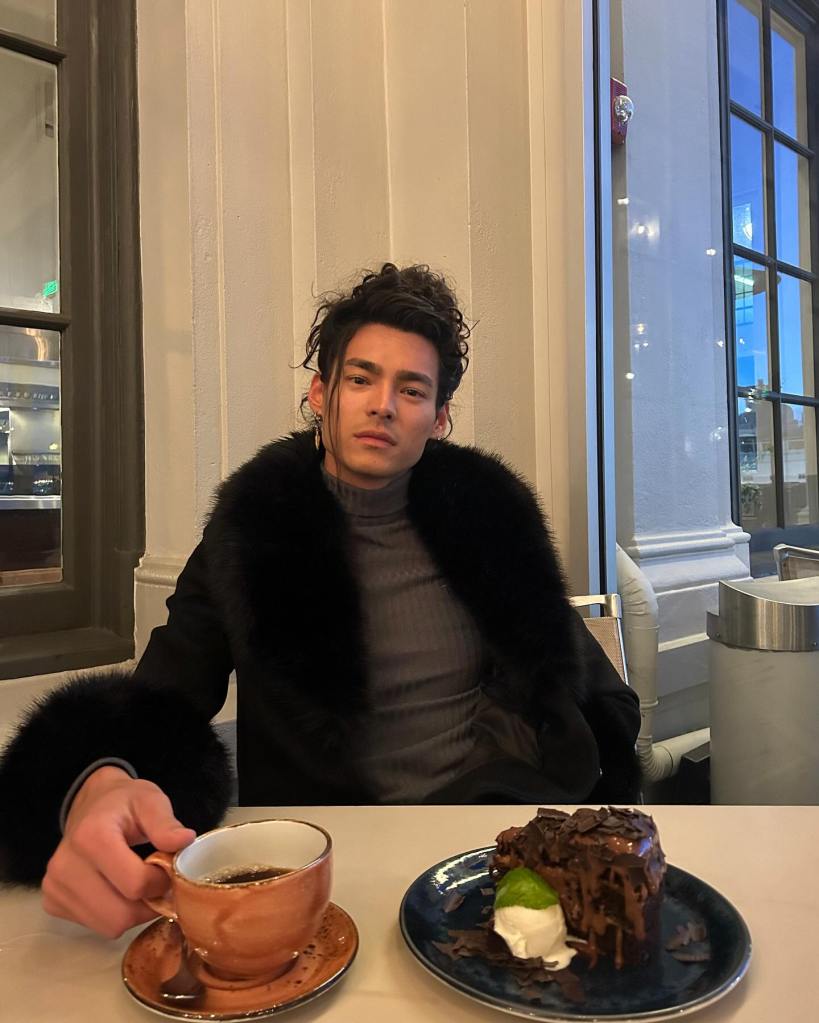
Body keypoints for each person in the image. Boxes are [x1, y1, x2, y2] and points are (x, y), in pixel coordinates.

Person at [0, 263, 640, 938]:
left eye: (411, 388)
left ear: (439, 417)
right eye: (361, 378)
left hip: (485, 844)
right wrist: (95, 780)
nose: (382, 404)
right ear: (320, 392)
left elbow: (585, 693)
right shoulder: (253, 532)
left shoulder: (489, 519)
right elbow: (160, 700)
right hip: (327, 864)